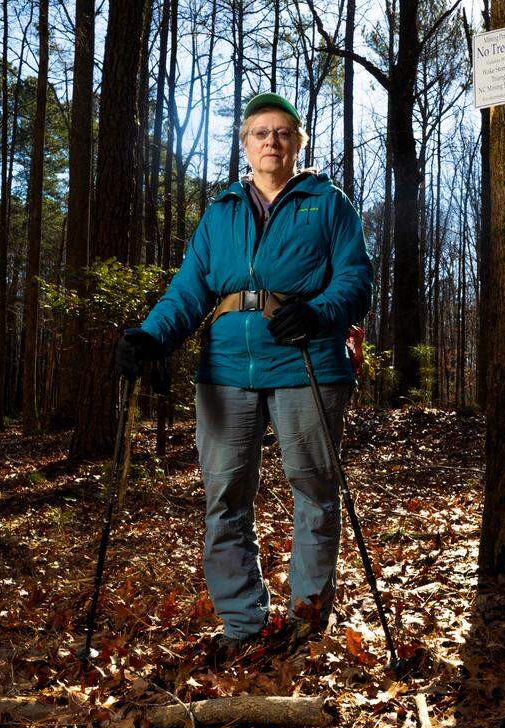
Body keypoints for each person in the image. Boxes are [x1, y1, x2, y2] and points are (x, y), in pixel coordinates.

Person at [113, 92, 373, 664]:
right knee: (224, 495)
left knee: (314, 491)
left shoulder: (328, 204)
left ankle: (306, 619)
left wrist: (322, 310)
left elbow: (357, 278)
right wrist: (152, 336)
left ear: (298, 142)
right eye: (260, 132)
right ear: (245, 144)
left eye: (283, 132)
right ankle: (242, 622)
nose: (271, 141)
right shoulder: (221, 211)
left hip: (307, 361)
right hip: (226, 366)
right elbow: (190, 288)